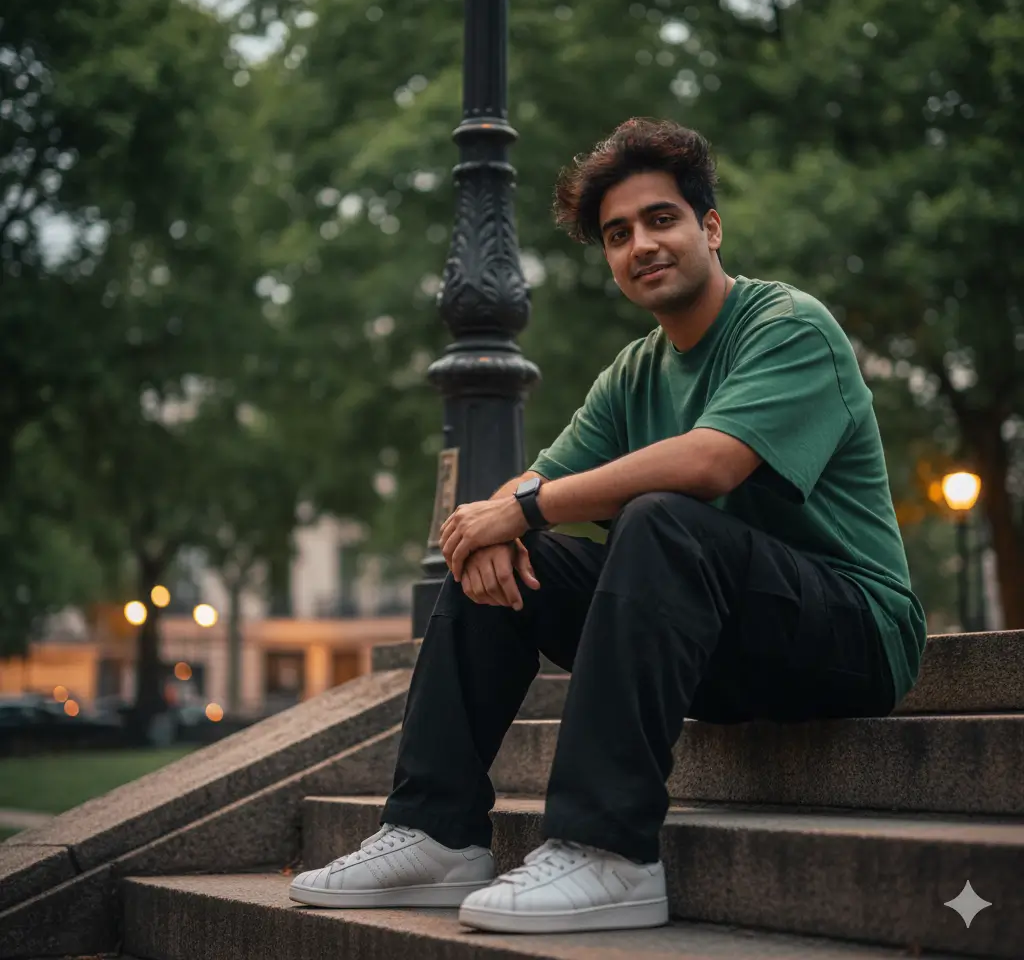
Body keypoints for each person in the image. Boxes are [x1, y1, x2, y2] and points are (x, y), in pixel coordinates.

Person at [289, 118, 926, 934]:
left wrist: (518, 508)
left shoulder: (788, 326)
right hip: (725, 653)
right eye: (618, 235)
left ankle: (608, 850)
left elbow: (708, 466)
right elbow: (537, 481)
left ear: (711, 227)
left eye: (662, 220)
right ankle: (435, 830)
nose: (641, 246)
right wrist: (493, 527)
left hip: (855, 637)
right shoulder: (635, 370)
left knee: (660, 517)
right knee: (517, 548)